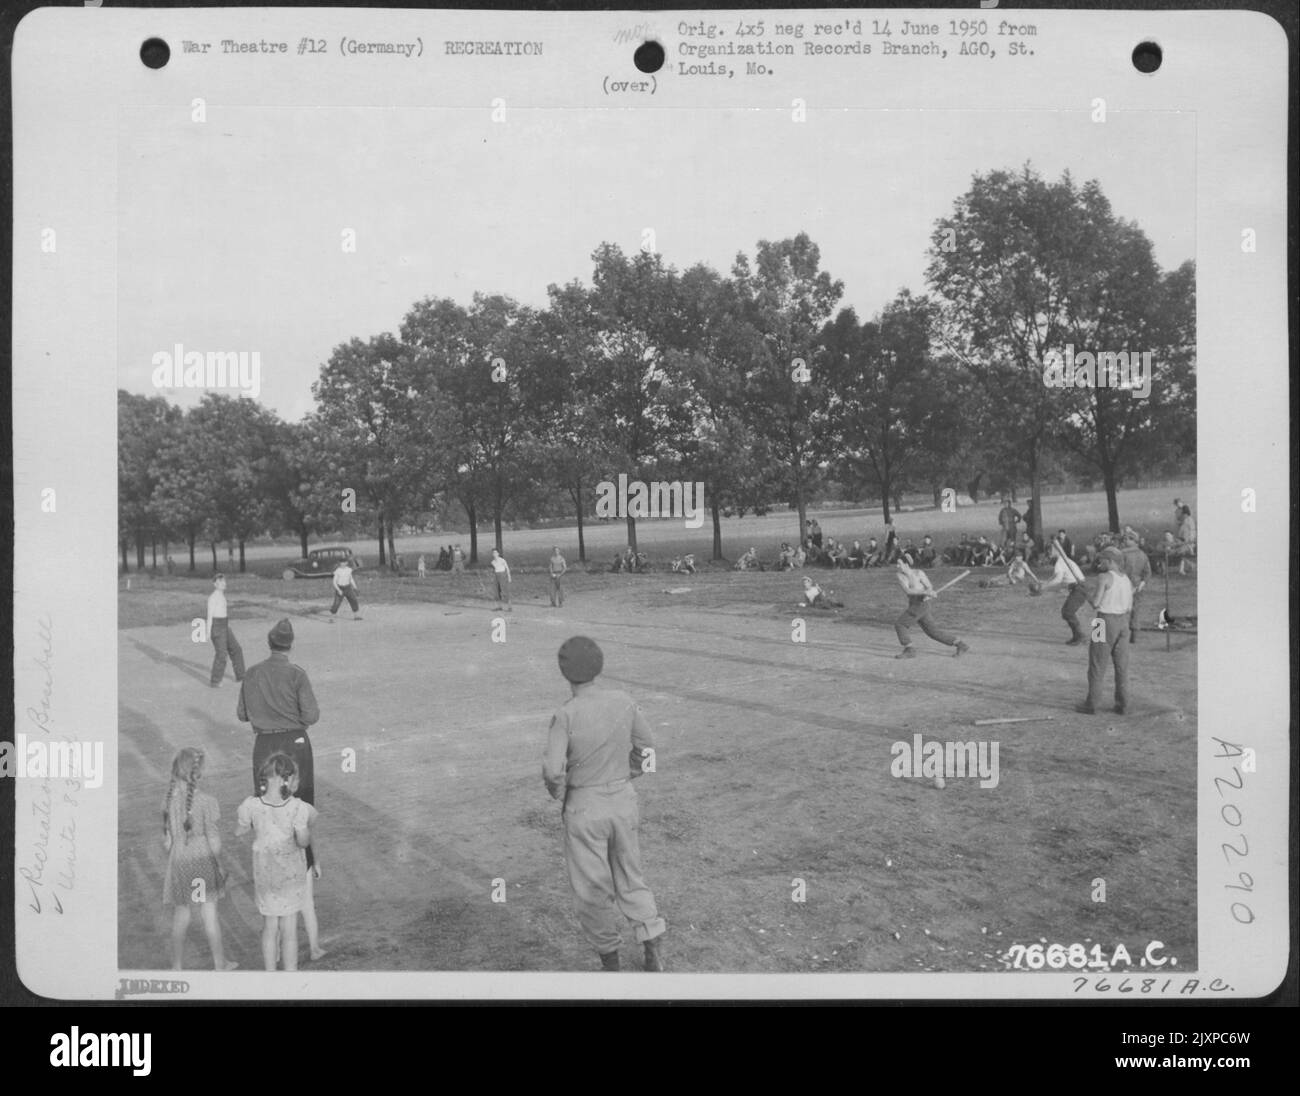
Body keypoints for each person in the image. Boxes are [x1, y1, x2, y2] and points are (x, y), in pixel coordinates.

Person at [542, 637, 667, 972]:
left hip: (584, 807)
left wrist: (559, 792)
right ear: (599, 666)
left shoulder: (565, 714)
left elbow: (553, 771)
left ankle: (610, 961)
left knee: (592, 886)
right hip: (623, 800)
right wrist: (633, 772)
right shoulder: (624, 700)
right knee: (631, 874)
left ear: (564, 672)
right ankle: (650, 939)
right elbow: (648, 746)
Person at [237, 618, 321, 871]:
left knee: (267, 804)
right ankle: (303, 865)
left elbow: (242, 714)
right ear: (290, 645)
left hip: (264, 744)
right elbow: (311, 716)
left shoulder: (251, 673)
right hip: (295, 743)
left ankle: (270, 864)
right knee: (300, 805)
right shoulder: (297, 674)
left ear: (269, 643)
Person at [236, 753, 318, 971]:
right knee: (289, 929)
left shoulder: (251, 805)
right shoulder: (297, 808)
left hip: (265, 877)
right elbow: (302, 842)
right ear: (287, 779)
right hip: (290, 877)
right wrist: (304, 832)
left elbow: (240, 829)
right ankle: (290, 977)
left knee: (269, 927)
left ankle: (270, 976)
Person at [161, 747, 236, 971]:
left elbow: (167, 841)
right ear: (198, 774)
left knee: (181, 915)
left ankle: (176, 967)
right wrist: (219, 865)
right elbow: (214, 839)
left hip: (179, 861)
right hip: (202, 861)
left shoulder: (168, 801)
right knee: (209, 913)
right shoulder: (207, 801)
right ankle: (219, 964)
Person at [1076, 547, 1133, 715]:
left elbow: (1095, 603)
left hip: (1102, 621)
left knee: (1096, 663)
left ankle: (1091, 704)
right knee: (1121, 666)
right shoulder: (1126, 579)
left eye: (1103, 560)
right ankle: (1123, 704)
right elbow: (1129, 606)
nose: (1100, 563)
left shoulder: (1104, 577)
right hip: (1123, 622)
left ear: (1111, 561)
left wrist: (1084, 592)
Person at [894, 558, 969, 659]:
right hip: (914, 603)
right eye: (897, 564)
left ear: (906, 564)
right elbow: (908, 591)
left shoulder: (918, 573)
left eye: (899, 564)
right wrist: (925, 592)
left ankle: (909, 650)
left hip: (922, 604)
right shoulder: (900, 575)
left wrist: (930, 591)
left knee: (900, 624)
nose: (897, 566)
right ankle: (961, 645)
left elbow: (929, 586)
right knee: (932, 632)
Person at [1039, 538, 1090, 644]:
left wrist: (1044, 587)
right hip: (1078, 587)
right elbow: (1054, 577)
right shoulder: (1062, 561)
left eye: (1050, 550)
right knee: (1067, 612)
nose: (1048, 553)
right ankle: (1077, 636)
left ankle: (1080, 636)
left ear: (1057, 550)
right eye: (1047, 550)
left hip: (1079, 587)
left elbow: (1058, 580)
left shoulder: (1060, 562)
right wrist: (1044, 583)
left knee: (1068, 612)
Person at [206, 573, 245, 688]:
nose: (223, 584)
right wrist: (208, 632)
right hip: (217, 627)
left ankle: (241, 675)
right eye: (220, 582)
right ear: (215, 584)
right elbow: (209, 616)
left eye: (224, 581)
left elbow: (223, 613)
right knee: (222, 654)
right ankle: (215, 681)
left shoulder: (222, 595)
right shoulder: (213, 597)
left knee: (236, 649)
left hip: (224, 625)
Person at [1119, 530, 1152, 643]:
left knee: (1121, 610)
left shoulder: (1122, 554)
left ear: (1133, 541)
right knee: (1136, 610)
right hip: (1138, 586)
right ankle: (1134, 635)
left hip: (1124, 585)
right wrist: (1142, 583)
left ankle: (1121, 634)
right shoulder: (1143, 554)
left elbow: (1119, 570)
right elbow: (1148, 572)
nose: (1124, 541)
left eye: (1127, 539)